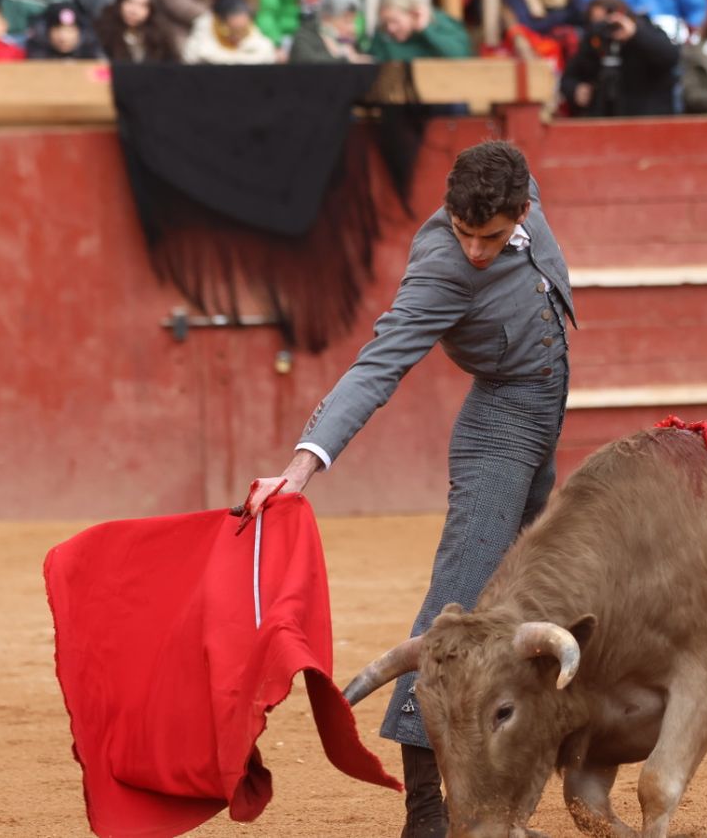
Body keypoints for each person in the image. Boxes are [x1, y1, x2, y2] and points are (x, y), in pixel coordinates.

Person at [239, 140, 574, 838]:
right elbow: (376, 366)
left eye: (489, 236)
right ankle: (424, 808)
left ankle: (501, 805)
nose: (476, 250)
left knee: (520, 604)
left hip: (544, 426)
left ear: (523, 210)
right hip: (499, 430)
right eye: (463, 232)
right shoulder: (442, 269)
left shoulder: (516, 186)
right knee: (456, 608)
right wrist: (302, 465)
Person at [560, 0, 680, 116]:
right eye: (598, 23)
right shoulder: (592, 43)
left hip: (644, 118)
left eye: (609, 21)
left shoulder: (646, 31)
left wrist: (635, 34)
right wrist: (575, 89)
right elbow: (569, 77)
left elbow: (670, 57)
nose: (605, 27)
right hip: (603, 119)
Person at [367, 0, 473, 60]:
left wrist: (426, 29)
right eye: (386, 23)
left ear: (413, 14)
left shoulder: (441, 23)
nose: (390, 28)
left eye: (395, 21)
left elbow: (461, 56)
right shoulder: (382, 33)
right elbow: (375, 60)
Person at [183, 0, 276, 62]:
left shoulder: (258, 42)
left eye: (243, 30)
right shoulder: (204, 34)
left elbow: (266, 54)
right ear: (220, 23)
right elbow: (193, 58)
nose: (238, 36)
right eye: (233, 30)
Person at [96, 0, 180, 61]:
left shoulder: (161, 39)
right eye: (129, 1)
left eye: (142, 5)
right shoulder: (102, 33)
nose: (134, 10)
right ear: (120, 2)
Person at [287, 0, 366, 62]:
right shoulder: (304, 38)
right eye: (347, 21)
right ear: (326, 17)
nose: (352, 28)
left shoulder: (348, 43)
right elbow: (308, 64)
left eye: (353, 22)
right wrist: (345, 59)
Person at [25, 0, 98, 57]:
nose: (63, 37)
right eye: (57, 30)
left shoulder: (95, 58)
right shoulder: (34, 56)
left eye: (69, 30)